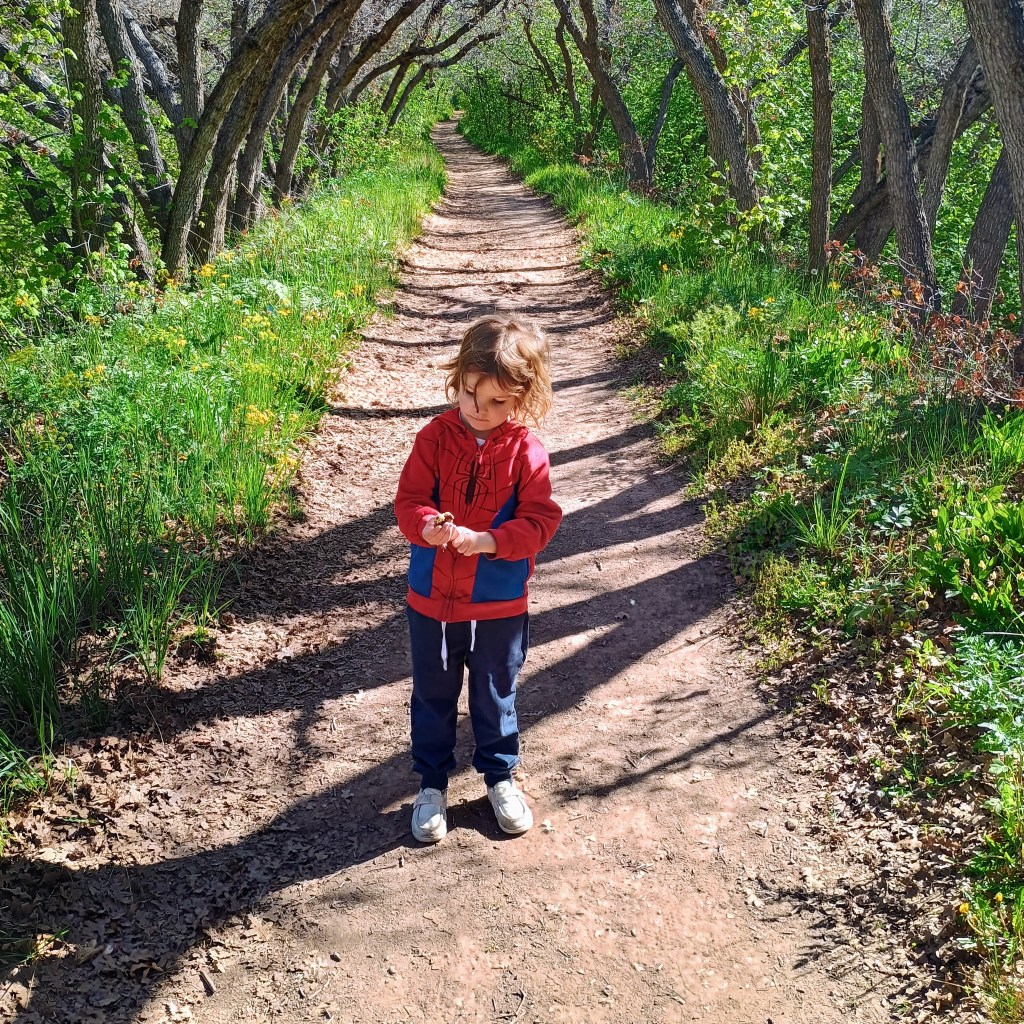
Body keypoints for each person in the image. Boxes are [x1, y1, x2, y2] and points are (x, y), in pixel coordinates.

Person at [394, 315, 562, 842]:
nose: (479, 408)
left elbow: (540, 523)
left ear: (521, 399)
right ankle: (431, 784)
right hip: (433, 602)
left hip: (498, 605)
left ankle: (499, 776)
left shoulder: (526, 452)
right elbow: (409, 501)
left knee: (495, 693)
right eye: (470, 393)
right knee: (433, 695)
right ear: (459, 379)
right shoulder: (434, 438)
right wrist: (428, 526)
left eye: (496, 401)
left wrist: (487, 541)